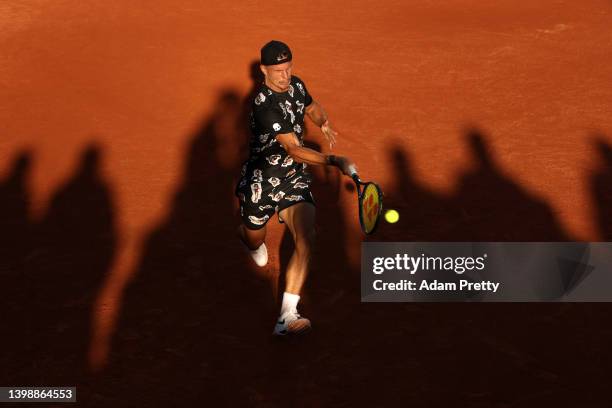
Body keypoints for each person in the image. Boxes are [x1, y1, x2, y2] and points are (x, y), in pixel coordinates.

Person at [235, 40, 357, 336]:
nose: (285, 75)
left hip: (294, 178)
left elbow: (311, 106)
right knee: (253, 238)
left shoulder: (297, 85)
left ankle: (286, 316)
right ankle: (250, 239)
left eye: (288, 68)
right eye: (278, 70)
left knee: (307, 238)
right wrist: (333, 160)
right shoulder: (263, 106)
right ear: (264, 70)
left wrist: (324, 122)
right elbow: (294, 149)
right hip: (261, 181)